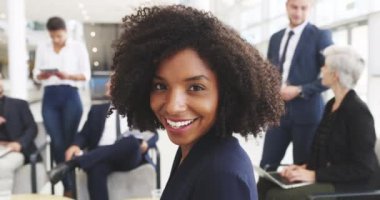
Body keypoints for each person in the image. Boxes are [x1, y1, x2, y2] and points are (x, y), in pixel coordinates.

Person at [110, 5, 284, 200]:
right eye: (160, 86)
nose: (173, 106)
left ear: (226, 93)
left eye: (195, 88)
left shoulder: (221, 175)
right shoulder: (196, 149)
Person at [258, 45, 380, 200]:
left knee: (279, 195)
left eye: (326, 66)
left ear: (335, 75)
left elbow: (363, 168)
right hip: (328, 175)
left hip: (349, 186)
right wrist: (303, 167)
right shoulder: (331, 105)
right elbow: (322, 151)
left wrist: (314, 175)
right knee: (265, 183)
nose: (321, 69)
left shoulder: (358, 112)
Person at [48, 80, 158, 200]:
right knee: (96, 168)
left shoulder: (136, 110)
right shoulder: (97, 110)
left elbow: (153, 134)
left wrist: (147, 143)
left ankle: (74, 163)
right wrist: (75, 145)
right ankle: (80, 161)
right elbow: (85, 134)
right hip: (101, 158)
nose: (106, 85)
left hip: (128, 156)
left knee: (132, 141)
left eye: (111, 82)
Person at [260, 0, 334, 171]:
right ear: (286, 6)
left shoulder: (320, 36)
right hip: (278, 113)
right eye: (294, 7)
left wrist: (300, 90)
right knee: (266, 166)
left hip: (307, 114)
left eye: (303, 8)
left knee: (302, 168)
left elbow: (330, 76)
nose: (298, 12)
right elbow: (269, 72)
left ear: (310, 9)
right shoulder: (275, 38)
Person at [33, 16, 91, 196]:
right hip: (49, 96)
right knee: (57, 143)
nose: (56, 40)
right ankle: (68, 186)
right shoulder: (43, 47)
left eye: (59, 36)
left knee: (70, 142)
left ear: (66, 31)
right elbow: (35, 72)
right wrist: (40, 76)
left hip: (70, 95)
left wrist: (68, 76)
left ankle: (73, 184)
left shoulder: (77, 47)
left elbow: (86, 75)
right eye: (53, 37)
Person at [0, 73, 38, 183]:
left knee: (2, 166)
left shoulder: (19, 104)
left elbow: (32, 128)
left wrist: (19, 143)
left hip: (13, 149)